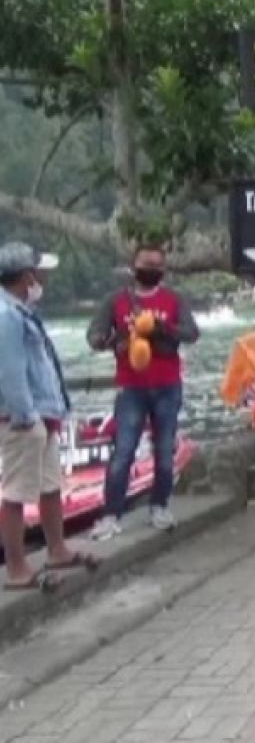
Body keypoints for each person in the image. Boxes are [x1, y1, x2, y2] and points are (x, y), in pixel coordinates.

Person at [0, 242, 100, 592]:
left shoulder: (21, 311)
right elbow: (9, 370)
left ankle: (57, 549)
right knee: (15, 492)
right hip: (22, 418)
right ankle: (16, 566)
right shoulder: (6, 315)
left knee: (49, 486)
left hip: (42, 414)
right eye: (37, 272)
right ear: (26, 275)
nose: (41, 278)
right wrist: (25, 415)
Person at [87, 242, 200, 541]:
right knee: (123, 451)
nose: (150, 270)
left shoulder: (174, 300)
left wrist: (163, 328)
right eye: (145, 264)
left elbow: (192, 333)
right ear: (133, 266)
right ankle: (111, 515)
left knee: (164, 450)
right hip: (131, 387)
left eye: (155, 266)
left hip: (167, 385)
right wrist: (113, 341)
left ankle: (159, 506)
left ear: (163, 270)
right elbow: (94, 335)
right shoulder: (116, 301)